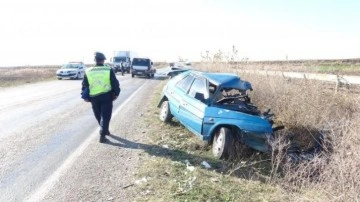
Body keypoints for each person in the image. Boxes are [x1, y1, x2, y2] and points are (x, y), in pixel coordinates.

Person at [81, 52, 121, 143]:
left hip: (94, 97)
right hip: (106, 96)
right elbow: (114, 83)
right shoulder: (108, 69)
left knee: (98, 115)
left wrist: (84, 95)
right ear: (103, 60)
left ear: (95, 60)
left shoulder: (88, 71)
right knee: (105, 116)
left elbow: (84, 85)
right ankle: (102, 134)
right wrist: (116, 93)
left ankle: (105, 130)